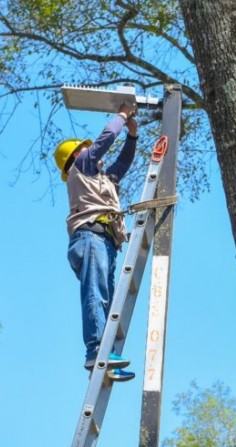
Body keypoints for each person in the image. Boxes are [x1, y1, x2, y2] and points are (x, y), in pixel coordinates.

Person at [54, 103, 138, 382]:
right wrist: (122, 116)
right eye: (86, 149)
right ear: (77, 154)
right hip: (90, 237)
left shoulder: (100, 179)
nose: (92, 152)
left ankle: (106, 358)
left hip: (105, 241)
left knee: (107, 302)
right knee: (96, 293)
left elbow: (123, 164)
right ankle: (96, 352)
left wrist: (133, 135)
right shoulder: (82, 166)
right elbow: (104, 140)